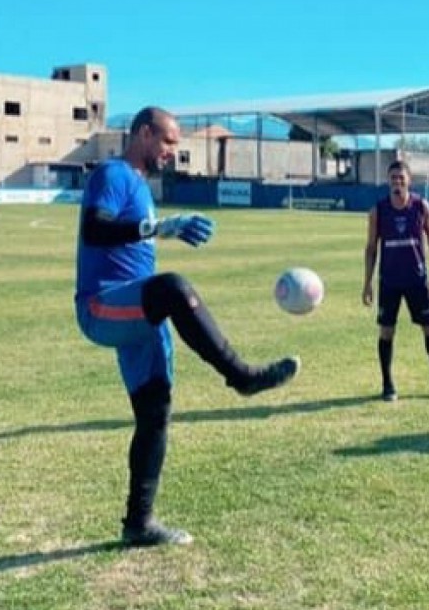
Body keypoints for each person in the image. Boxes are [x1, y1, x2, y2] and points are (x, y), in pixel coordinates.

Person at [74, 106, 300, 548]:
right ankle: (242, 376)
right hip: (104, 306)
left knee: (155, 414)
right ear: (143, 134)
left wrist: (158, 229)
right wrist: (158, 227)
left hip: (139, 313)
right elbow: (94, 229)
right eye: (168, 141)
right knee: (174, 288)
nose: (173, 152)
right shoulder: (113, 174)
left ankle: (138, 523)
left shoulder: (140, 186)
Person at [362, 160, 429, 402]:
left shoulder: (420, 206)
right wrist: (367, 282)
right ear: (388, 181)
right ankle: (387, 384)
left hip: (417, 280)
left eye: (401, 178)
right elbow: (371, 248)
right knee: (387, 331)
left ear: (409, 181)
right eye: (393, 178)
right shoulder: (378, 211)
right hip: (390, 281)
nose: (397, 182)